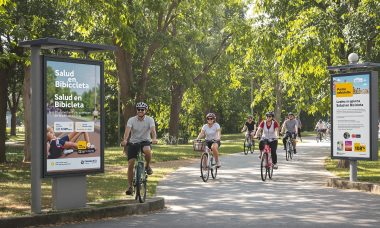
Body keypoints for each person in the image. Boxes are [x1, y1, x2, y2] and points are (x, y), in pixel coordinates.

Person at [122, 102, 158, 195]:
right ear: (136, 110)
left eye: (142, 109)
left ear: (145, 111)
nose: (140, 111)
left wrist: (154, 138)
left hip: (145, 141)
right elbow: (127, 131)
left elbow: (153, 130)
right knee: (130, 164)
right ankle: (130, 186)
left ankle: (147, 166)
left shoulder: (150, 119)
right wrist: (125, 140)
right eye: (138, 109)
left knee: (147, 150)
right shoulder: (131, 120)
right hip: (133, 142)